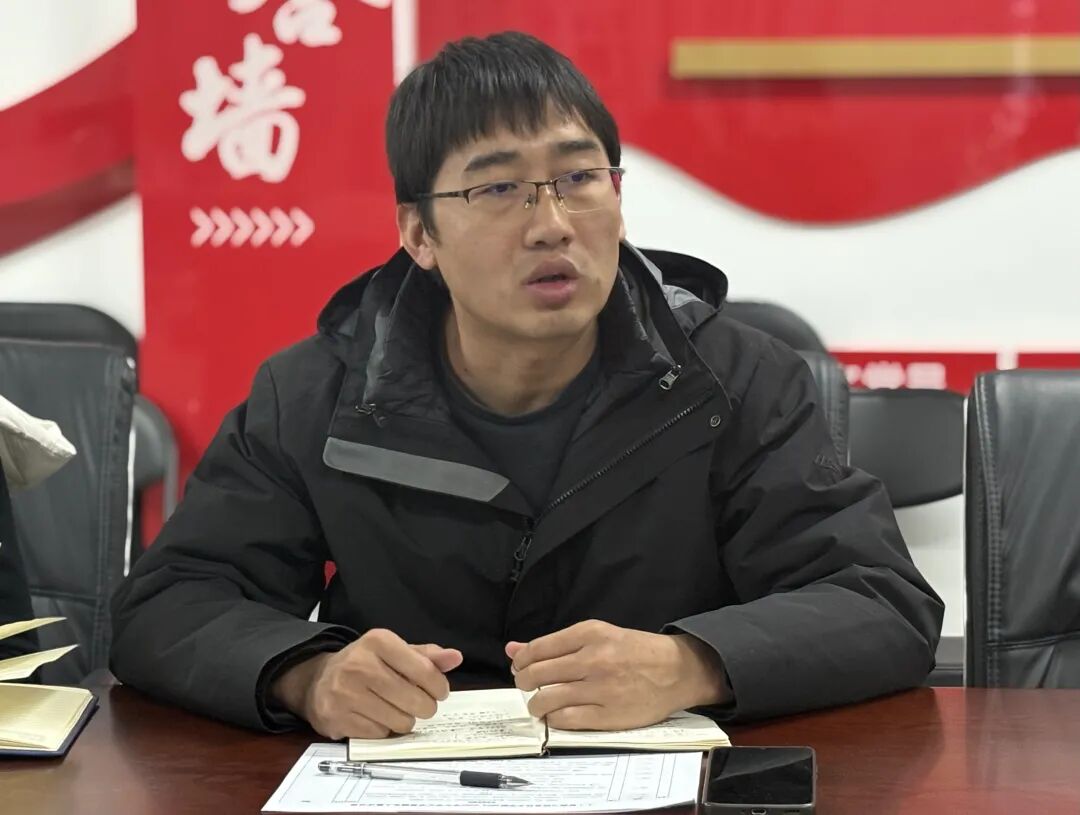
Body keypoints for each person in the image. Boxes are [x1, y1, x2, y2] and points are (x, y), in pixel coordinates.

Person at [110, 32, 943, 737]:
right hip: (408, 782)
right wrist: (307, 675)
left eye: (579, 178)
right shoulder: (319, 393)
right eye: (498, 187)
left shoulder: (733, 378)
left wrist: (690, 664)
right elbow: (167, 604)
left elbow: (880, 602)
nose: (551, 224)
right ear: (419, 234)